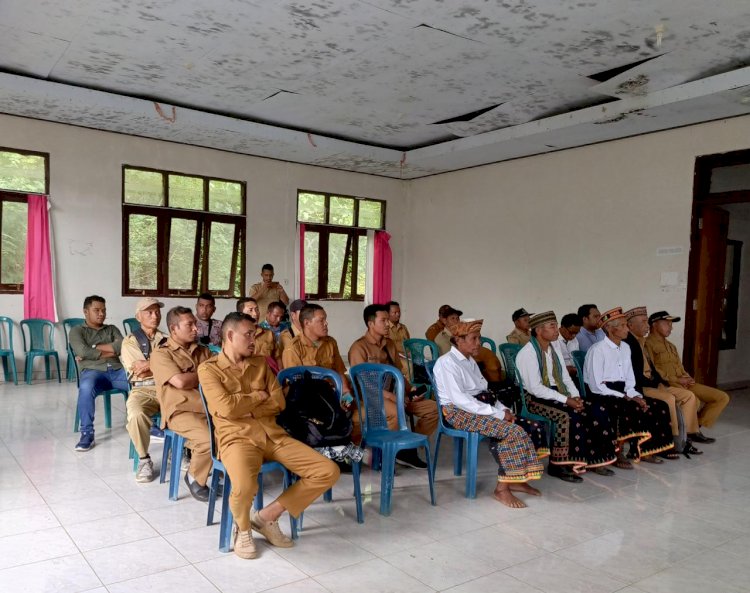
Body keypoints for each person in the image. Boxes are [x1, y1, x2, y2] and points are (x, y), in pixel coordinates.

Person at [199, 312, 339, 560]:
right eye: (248, 334)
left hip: (273, 436)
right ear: (230, 336)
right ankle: (242, 530)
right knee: (244, 485)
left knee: (327, 471)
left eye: (254, 334)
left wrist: (246, 407)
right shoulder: (208, 370)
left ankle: (266, 517)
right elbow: (226, 408)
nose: (254, 339)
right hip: (237, 438)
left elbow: (279, 402)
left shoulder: (261, 363)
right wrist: (256, 397)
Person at [433, 320, 546, 508]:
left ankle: (516, 480)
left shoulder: (470, 362)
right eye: (474, 338)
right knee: (514, 431)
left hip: (479, 407)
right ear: (458, 340)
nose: (479, 343)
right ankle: (501, 490)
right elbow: (461, 400)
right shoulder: (446, 363)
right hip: (458, 413)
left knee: (533, 427)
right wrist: (498, 415)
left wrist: (503, 410)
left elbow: (486, 393)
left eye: (479, 338)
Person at [516, 312, 617, 481]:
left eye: (556, 325)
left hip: (559, 392)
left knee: (597, 409)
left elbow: (564, 377)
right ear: (539, 331)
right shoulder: (528, 353)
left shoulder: (554, 348)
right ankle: (559, 465)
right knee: (568, 416)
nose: (557, 330)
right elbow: (535, 388)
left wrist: (576, 397)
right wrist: (567, 400)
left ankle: (593, 460)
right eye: (552, 326)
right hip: (534, 399)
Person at [348, 304, 438, 469]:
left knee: (433, 409)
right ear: (370, 324)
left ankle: (406, 449)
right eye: (384, 321)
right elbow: (365, 385)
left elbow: (399, 373)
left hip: (396, 396)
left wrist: (411, 390)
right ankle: (387, 452)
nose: (389, 324)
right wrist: (392, 397)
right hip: (370, 400)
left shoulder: (389, 345)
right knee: (396, 411)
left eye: (388, 320)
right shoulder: (358, 348)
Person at [583, 307, 674, 468]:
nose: (627, 328)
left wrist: (634, 395)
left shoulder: (625, 348)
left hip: (623, 390)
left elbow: (629, 379)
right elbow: (596, 385)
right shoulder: (597, 350)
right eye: (624, 325)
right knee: (627, 407)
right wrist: (625, 397)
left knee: (658, 406)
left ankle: (644, 449)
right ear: (611, 329)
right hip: (602, 392)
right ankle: (617, 452)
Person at [151, 307, 214, 501]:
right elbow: (180, 382)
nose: (196, 328)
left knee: (235, 432)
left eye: (195, 324)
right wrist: (206, 375)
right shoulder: (161, 354)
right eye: (190, 325)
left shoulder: (202, 351)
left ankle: (226, 476)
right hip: (180, 412)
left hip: (208, 408)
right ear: (173, 328)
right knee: (207, 439)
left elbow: (224, 373)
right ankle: (195, 476)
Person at [625, 307, 702, 457]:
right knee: (669, 399)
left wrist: (661, 382)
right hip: (641, 387)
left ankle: (685, 438)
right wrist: (657, 383)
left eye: (647, 321)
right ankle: (670, 441)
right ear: (631, 326)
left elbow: (652, 368)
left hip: (654, 383)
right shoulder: (628, 344)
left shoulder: (641, 341)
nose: (647, 325)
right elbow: (634, 375)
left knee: (688, 396)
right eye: (643, 322)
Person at [645, 310, 729, 442]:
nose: (671, 327)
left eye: (671, 324)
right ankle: (690, 431)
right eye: (667, 323)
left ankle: (694, 426)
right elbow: (652, 370)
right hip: (670, 383)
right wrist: (677, 379)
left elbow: (679, 366)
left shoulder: (671, 346)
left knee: (721, 397)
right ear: (654, 324)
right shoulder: (647, 344)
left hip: (684, 382)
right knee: (694, 399)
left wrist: (687, 377)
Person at [69, 295, 129, 452]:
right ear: (85, 311)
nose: (101, 314)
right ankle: (87, 433)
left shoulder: (112, 329)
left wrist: (94, 347)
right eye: (96, 310)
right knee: (86, 387)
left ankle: (148, 424)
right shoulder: (77, 331)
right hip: (93, 372)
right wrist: (109, 349)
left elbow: (123, 346)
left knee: (139, 381)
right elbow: (82, 350)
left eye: (103, 310)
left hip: (117, 370)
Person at [120, 297, 166, 482]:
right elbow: (138, 369)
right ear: (138, 317)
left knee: (188, 407)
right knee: (136, 414)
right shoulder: (130, 342)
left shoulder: (166, 339)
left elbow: (175, 365)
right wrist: (163, 365)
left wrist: (149, 364)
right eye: (149, 312)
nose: (154, 316)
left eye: (157, 312)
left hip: (166, 388)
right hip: (142, 390)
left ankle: (184, 452)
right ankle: (144, 459)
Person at [236, 297, 278, 362]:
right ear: (241, 313)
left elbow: (278, 357)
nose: (255, 314)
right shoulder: (235, 336)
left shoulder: (269, 333)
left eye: (257, 309)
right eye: (250, 310)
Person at [386, 300, 410, 375]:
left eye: (399, 312)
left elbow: (409, 344)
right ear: (388, 314)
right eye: (395, 312)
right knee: (409, 366)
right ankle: (407, 386)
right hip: (395, 357)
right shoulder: (385, 328)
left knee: (424, 363)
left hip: (407, 355)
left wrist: (410, 353)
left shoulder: (403, 327)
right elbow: (387, 349)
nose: (398, 314)